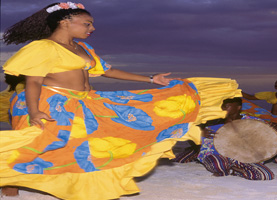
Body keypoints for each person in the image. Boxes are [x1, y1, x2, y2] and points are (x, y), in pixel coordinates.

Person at [0, 2, 241, 199]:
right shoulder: (42, 48)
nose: (91, 28)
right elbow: (33, 82)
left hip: (85, 100)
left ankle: (84, 185)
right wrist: (34, 112)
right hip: (49, 102)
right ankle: (9, 182)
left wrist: (150, 79)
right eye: (87, 23)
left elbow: (109, 71)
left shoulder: (82, 47)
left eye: (91, 24)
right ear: (65, 22)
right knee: (43, 145)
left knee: (96, 141)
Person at [196, 97, 277, 180]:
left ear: (238, 107)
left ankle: (235, 170)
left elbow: (271, 132)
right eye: (222, 106)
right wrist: (200, 133)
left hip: (243, 157)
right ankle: (230, 168)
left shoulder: (252, 121)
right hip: (217, 154)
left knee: (266, 175)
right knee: (218, 165)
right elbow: (197, 139)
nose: (223, 108)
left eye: (227, 106)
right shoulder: (212, 122)